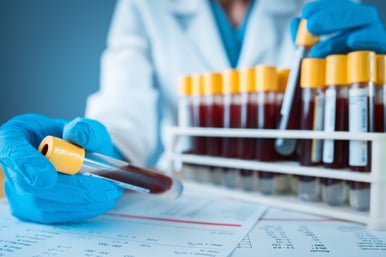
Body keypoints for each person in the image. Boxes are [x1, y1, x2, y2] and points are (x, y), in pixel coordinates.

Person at [0, 0, 385, 224]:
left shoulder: (327, 7)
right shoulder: (145, 5)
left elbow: (363, 126)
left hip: (310, 199)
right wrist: (94, 154)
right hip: (190, 194)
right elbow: (122, 117)